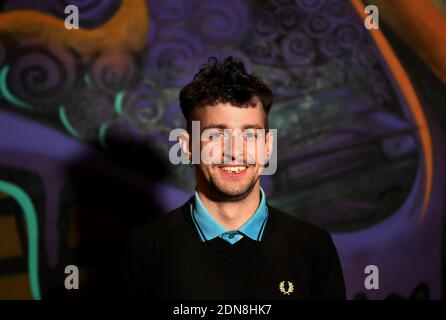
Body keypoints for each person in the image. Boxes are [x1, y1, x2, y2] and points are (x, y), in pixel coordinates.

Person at [120, 56, 346, 300]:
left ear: (268, 146)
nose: (235, 151)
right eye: (216, 135)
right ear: (187, 147)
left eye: (250, 134)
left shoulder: (314, 248)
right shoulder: (143, 249)